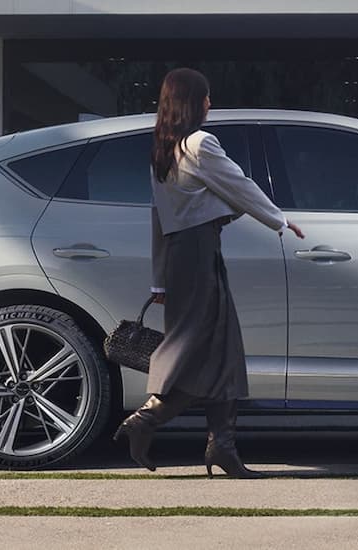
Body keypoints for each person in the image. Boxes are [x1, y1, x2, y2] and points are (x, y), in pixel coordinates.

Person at [114, 68, 304, 478]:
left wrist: (160, 279)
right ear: (192, 102)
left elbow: (159, 219)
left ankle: (223, 447)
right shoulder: (200, 143)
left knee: (223, 351)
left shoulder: (164, 150)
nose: (210, 104)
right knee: (198, 351)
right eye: (206, 97)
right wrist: (279, 219)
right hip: (199, 253)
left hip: (186, 256)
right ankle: (146, 420)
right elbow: (239, 184)